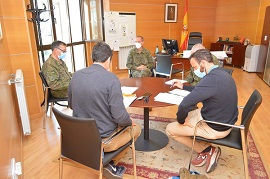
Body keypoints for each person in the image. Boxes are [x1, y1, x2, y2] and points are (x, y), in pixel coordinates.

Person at [68, 42, 141, 179]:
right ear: (109, 59)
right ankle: (108, 163)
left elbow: (72, 105)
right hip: (104, 140)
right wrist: (129, 122)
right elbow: (119, 117)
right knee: (136, 129)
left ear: (92, 58)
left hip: (80, 137)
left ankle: (105, 163)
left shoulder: (76, 76)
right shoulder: (111, 79)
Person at [166, 49, 238, 173]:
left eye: (194, 67)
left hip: (215, 127)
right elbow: (202, 89)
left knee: (170, 129)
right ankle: (200, 141)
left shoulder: (210, 79)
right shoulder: (221, 73)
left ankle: (206, 150)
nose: (194, 71)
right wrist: (184, 86)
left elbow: (185, 104)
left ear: (203, 63)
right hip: (225, 120)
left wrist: (181, 121)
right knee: (187, 115)